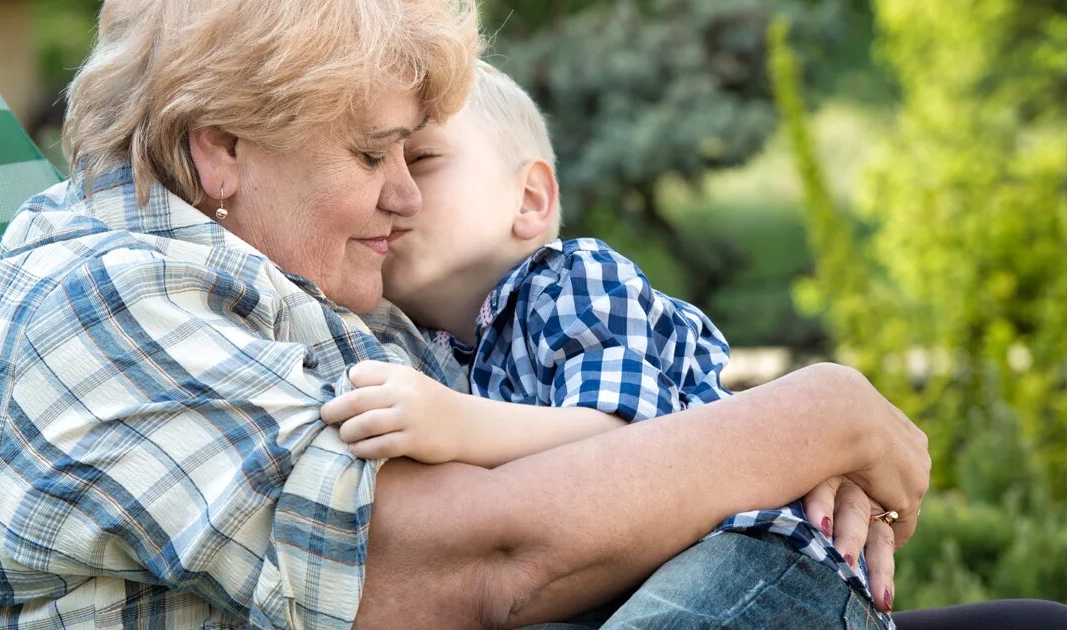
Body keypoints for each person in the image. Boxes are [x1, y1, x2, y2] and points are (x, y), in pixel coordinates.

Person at [0, 0, 939, 628]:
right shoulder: (103, 310)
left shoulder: (291, 285)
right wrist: (807, 420)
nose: (407, 198)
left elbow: (554, 469)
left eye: (415, 153)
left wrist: (771, 466)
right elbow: (482, 563)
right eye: (371, 154)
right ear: (219, 146)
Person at [321, 59, 891, 627]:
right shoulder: (426, 348)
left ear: (531, 200)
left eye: (421, 159)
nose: (394, 194)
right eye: (374, 162)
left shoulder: (574, 279)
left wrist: (455, 423)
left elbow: (625, 433)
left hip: (754, 556)